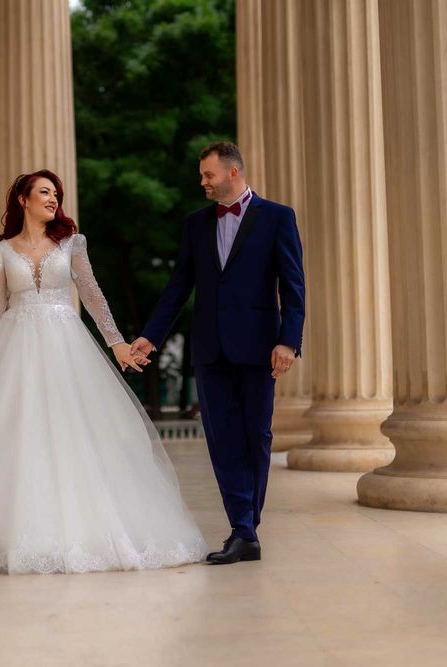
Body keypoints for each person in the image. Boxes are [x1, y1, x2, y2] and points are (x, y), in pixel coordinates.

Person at [0, 170, 207, 574]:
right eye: (43, 192)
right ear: (22, 199)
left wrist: (116, 342)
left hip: (65, 344)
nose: (52, 198)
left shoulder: (71, 244)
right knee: (9, 435)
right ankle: (18, 532)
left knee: (73, 430)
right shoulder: (1, 252)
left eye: (55, 193)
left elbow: (93, 295)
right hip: (17, 347)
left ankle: (85, 529)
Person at [131, 142, 305, 565]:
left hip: (259, 347)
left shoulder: (278, 217)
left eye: (208, 175)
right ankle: (242, 529)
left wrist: (288, 340)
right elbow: (178, 287)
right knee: (222, 440)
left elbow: (293, 285)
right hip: (210, 349)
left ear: (232, 172)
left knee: (256, 438)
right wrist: (151, 337)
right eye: (202, 176)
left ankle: (247, 525)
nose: (203, 183)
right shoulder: (195, 225)